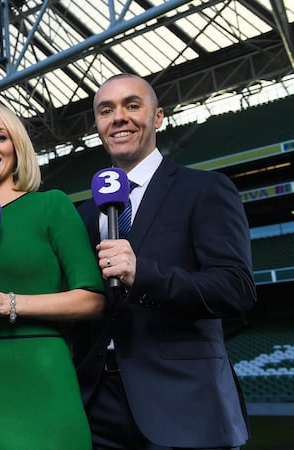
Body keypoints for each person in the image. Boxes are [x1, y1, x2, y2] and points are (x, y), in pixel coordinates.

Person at [73, 73, 256, 449]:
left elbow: (236, 289)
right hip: (96, 409)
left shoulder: (204, 189)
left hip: (185, 405)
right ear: (98, 126)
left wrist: (142, 274)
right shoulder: (84, 213)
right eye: (106, 110)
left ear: (158, 117)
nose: (119, 117)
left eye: (132, 105)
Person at [0, 101, 105, 449]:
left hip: (42, 376)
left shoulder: (51, 206)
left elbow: (92, 299)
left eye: (0, 136)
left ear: (16, 148)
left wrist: (8, 303)